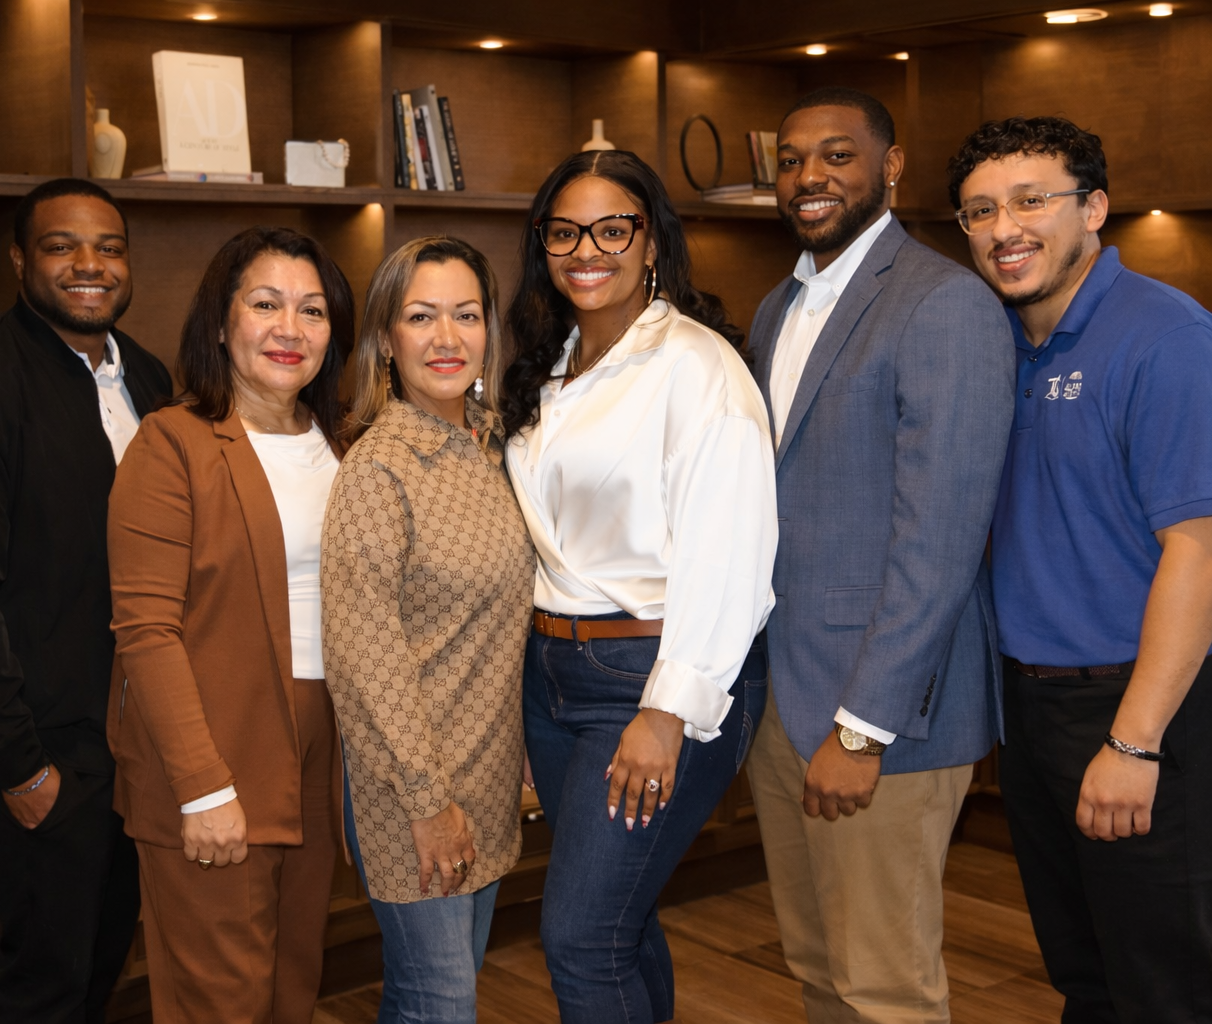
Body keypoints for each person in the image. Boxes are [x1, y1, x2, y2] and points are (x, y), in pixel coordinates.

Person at [745, 88, 1013, 1024]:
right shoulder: (779, 307)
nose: (809, 177)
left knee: (885, 989)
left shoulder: (944, 304)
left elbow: (938, 543)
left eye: (836, 156)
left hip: (880, 719)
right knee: (820, 971)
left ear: (890, 166)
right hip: (784, 705)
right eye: (790, 160)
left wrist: (863, 729)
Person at [499, 149, 776, 1024]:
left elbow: (730, 553)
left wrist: (667, 712)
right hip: (554, 678)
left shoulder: (698, 369)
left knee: (582, 940)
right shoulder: (554, 360)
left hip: (649, 677)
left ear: (649, 238)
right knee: (619, 926)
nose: (588, 249)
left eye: (612, 228)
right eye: (565, 231)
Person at [950, 115, 1212, 1022]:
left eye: (1031, 200)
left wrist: (1134, 742)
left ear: (1095, 207)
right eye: (979, 210)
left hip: (1145, 711)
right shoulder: (997, 340)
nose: (1002, 229)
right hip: (1033, 709)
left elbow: (1199, 550)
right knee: (1084, 974)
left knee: (1167, 986)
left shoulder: (1166, 337)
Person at [106, 226, 352, 1023]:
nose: (291, 328)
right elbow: (146, 631)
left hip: (324, 753)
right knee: (221, 1002)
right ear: (221, 321)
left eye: (312, 310)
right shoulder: (171, 443)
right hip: (216, 756)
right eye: (266, 303)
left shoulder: (346, 445)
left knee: (291, 988)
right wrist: (202, 785)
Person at [0, 178, 171, 1023]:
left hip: (141, 744)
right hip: (49, 754)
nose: (89, 265)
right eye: (60, 246)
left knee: (104, 967)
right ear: (18, 260)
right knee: (45, 983)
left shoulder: (147, 376)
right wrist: (19, 763)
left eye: (109, 247)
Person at [323, 236, 535, 1023]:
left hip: (485, 773)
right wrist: (425, 801)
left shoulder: (493, 444)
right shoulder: (379, 471)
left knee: (441, 993)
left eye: (466, 315)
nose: (447, 338)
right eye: (421, 317)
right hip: (412, 785)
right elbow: (365, 661)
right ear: (386, 339)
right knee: (439, 1004)